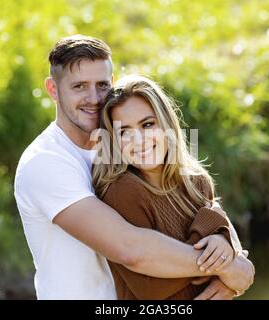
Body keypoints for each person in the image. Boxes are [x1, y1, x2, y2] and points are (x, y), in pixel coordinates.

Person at [14, 34, 254, 300]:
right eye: (79, 86)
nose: (93, 98)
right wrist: (227, 268)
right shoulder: (45, 162)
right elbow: (131, 249)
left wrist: (231, 250)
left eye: (102, 85)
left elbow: (203, 203)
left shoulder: (122, 149)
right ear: (53, 89)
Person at [92, 75, 252, 299]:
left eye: (148, 125)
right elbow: (150, 288)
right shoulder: (123, 190)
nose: (139, 140)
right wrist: (214, 243)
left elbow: (234, 270)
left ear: (167, 125)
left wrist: (223, 243)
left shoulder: (196, 182)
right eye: (124, 132)